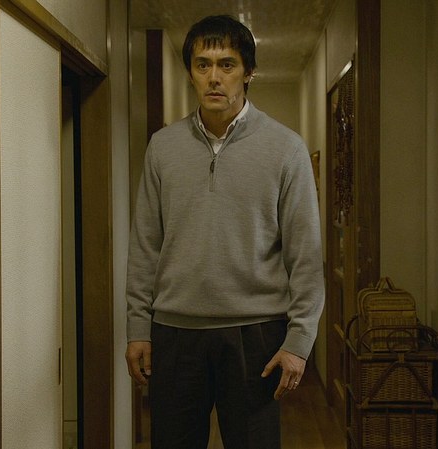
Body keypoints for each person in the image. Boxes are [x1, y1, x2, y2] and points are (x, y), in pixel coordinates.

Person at [125, 14, 325, 449]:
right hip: (175, 332)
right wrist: (138, 326)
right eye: (203, 65)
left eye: (227, 64)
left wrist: (299, 340)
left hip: (255, 334)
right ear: (191, 73)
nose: (214, 77)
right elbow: (145, 245)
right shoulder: (163, 146)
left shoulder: (286, 148)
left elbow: (306, 255)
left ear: (248, 72)